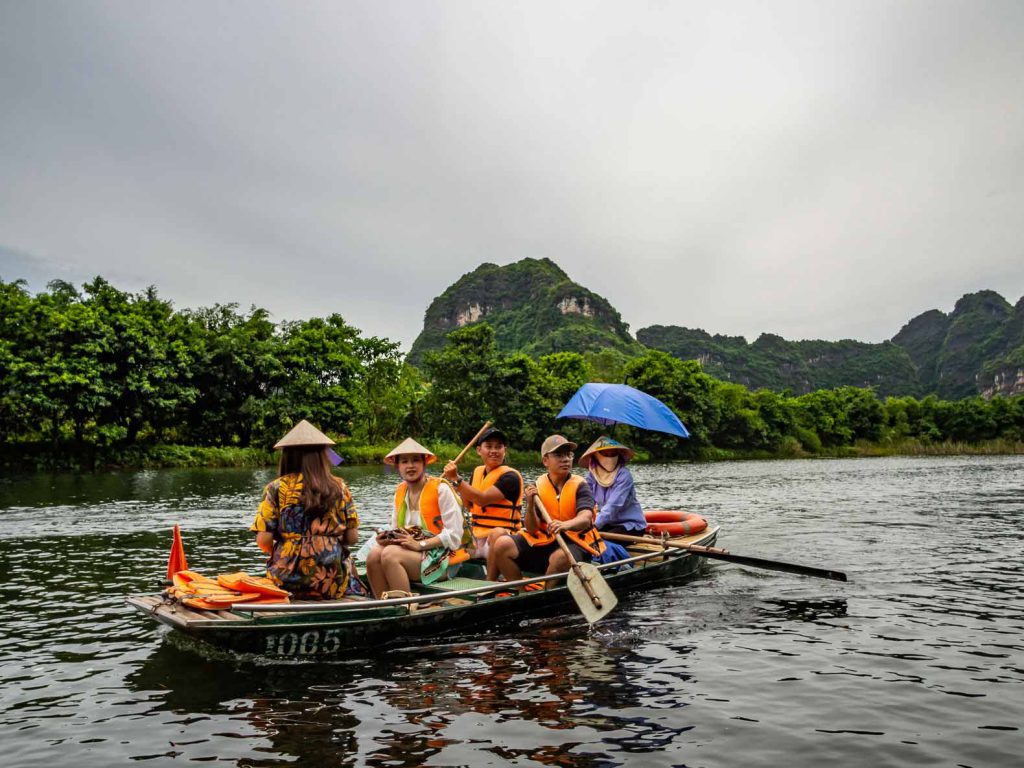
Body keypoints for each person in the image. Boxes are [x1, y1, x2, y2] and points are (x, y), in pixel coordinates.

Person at [251, 419, 363, 599]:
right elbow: (352, 538)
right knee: (349, 564)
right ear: (321, 456)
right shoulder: (340, 487)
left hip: (286, 580)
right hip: (331, 581)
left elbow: (264, 540)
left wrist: (288, 548)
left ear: (287, 456)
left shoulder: (276, 488)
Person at [490, 434, 604, 586]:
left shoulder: (580, 485)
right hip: (544, 541)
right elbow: (531, 529)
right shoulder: (538, 486)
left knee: (560, 558)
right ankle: (520, 591)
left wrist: (565, 525)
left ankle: (544, 595)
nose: (565, 459)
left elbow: (585, 518)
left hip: (575, 543)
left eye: (568, 455)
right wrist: (530, 504)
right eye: (558, 455)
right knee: (501, 544)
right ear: (545, 461)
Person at [365, 438, 469, 598]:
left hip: (445, 559)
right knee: (374, 554)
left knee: (390, 554)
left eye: (415, 461)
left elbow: (455, 536)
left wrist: (419, 545)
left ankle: (404, 606)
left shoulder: (441, 489)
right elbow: (396, 529)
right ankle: (382, 604)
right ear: (398, 466)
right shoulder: (400, 491)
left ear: (424, 464)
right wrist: (387, 538)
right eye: (404, 461)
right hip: (413, 554)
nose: (410, 466)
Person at [442, 426, 523, 576]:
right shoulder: (478, 472)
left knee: (496, 533)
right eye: (489, 446)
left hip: (504, 536)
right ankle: (444, 576)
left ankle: (489, 584)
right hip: (477, 534)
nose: (494, 451)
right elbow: (469, 504)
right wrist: (454, 484)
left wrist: (456, 479)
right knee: (451, 531)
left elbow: (482, 499)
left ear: (505, 450)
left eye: (499, 447)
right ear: (479, 450)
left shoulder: (510, 477)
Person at [579, 436, 647, 535]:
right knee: (585, 538)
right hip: (608, 523)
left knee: (602, 542)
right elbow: (586, 499)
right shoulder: (591, 475)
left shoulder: (624, 475)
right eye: (605, 454)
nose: (609, 457)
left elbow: (614, 505)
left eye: (613, 454)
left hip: (629, 525)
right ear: (596, 455)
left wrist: (594, 525)